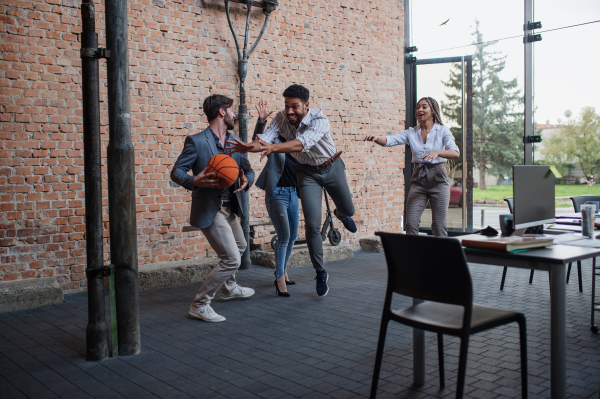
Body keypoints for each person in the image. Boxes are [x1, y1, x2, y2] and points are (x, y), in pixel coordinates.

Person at [227, 84, 357, 297]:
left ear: (306, 105)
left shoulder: (319, 120)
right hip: (307, 173)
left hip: (331, 166)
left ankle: (341, 214)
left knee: (348, 208)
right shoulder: (280, 119)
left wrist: (273, 148)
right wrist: (248, 147)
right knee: (312, 225)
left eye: (294, 106)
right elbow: (265, 141)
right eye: (287, 106)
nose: (289, 111)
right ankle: (320, 272)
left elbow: (301, 144)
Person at [171, 94, 256, 322]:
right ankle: (200, 304)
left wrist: (248, 179)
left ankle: (228, 288)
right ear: (222, 111)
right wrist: (194, 181)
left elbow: (248, 170)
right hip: (211, 208)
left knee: (240, 245)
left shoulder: (235, 142)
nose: (234, 114)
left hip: (230, 208)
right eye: (231, 109)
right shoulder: (197, 141)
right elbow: (177, 172)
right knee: (232, 259)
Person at [364, 97, 459, 237]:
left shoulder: (442, 131)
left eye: (424, 107)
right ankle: (412, 257)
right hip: (419, 178)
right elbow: (391, 140)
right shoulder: (411, 132)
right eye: (418, 107)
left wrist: (437, 152)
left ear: (433, 110)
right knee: (411, 224)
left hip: (438, 178)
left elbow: (455, 153)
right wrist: (377, 138)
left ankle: (440, 257)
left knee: (439, 225)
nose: (420, 110)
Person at [253, 100, 299, 297]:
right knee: (284, 236)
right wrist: (261, 121)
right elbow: (256, 143)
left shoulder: (298, 143)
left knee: (293, 237)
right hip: (277, 193)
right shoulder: (273, 141)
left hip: (293, 194)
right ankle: (279, 277)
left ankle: (283, 270)